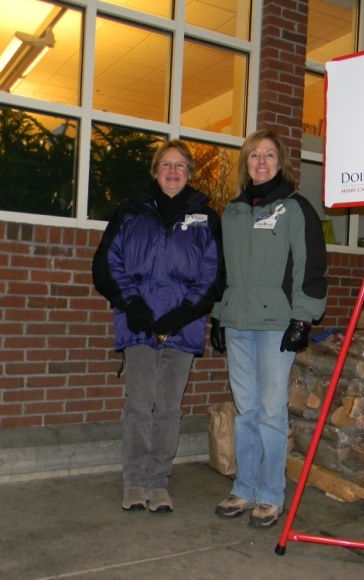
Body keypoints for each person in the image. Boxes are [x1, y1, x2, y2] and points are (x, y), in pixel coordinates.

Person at [92, 139, 224, 513]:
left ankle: (158, 481)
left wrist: (182, 314)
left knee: (168, 408)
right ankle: (134, 480)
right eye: (165, 164)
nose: (172, 171)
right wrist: (132, 304)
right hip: (139, 326)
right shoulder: (130, 212)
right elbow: (106, 265)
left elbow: (213, 275)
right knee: (139, 405)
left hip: (182, 327)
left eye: (180, 165)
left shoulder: (205, 218)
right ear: (155, 170)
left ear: (190, 174)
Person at [210, 129, 328, 528]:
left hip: (277, 325)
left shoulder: (295, 208)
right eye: (254, 155)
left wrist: (303, 317)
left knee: (271, 413)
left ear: (281, 162)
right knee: (246, 411)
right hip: (239, 323)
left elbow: (311, 267)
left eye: (269, 155)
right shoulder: (233, 212)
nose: (261, 161)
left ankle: (271, 494)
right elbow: (223, 270)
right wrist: (218, 314)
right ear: (246, 164)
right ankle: (244, 488)